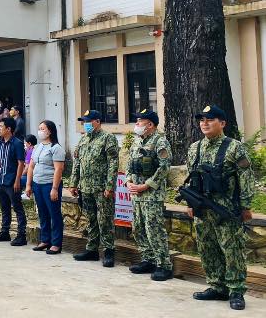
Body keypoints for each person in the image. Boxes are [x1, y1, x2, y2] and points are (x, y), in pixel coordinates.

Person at [188, 105, 254, 311]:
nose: (204, 124)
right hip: (202, 209)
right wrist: (191, 204)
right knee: (207, 248)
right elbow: (193, 179)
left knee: (232, 250)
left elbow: (246, 178)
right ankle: (217, 286)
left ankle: (235, 290)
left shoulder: (235, 148)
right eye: (202, 120)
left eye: (210, 119)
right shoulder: (195, 148)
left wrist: (246, 206)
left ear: (222, 123)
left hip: (226, 210)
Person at [125, 109, 172, 281]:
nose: (136, 124)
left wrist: (146, 185)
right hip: (136, 194)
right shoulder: (137, 141)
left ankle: (164, 265)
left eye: (140, 122)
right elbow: (129, 163)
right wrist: (129, 181)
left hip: (152, 194)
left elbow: (164, 167)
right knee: (138, 227)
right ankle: (149, 259)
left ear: (150, 124)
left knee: (154, 229)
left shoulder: (160, 142)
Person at [69, 109, 119, 268]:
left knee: (105, 220)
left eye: (88, 121)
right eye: (84, 122)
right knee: (90, 219)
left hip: (101, 188)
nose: (85, 124)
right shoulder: (83, 139)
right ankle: (92, 249)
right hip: (85, 187)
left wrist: (110, 185)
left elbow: (113, 164)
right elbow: (77, 163)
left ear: (97, 121)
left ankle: (109, 251)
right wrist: (73, 183)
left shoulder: (108, 138)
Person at [25, 120, 65, 255]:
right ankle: (45, 239)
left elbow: (58, 169)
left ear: (50, 131)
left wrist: (54, 188)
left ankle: (56, 243)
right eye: (39, 128)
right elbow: (31, 166)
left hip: (49, 184)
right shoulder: (37, 147)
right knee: (42, 213)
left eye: (43, 128)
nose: (40, 131)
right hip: (37, 184)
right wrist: (29, 184)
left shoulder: (56, 148)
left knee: (54, 214)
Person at [0, 117, 27, 246]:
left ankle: (21, 235)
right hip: (0, 180)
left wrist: (17, 180)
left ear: (8, 129)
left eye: (1, 126)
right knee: (4, 208)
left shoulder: (17, 143)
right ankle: (5, 231)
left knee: (17, 207)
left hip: (12, 181)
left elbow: (21, 163)